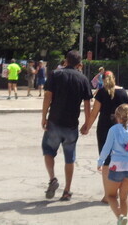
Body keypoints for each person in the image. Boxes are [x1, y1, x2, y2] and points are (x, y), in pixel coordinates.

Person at [41, 49, 93, 201]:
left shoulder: (56, 75)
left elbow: (47, 97)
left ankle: (52, 179)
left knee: (48, 151)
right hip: (71, 124)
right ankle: (67, 190)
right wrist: (87, 124)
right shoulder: (83, 79)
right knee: (70, 158)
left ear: (66, 60)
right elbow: (87, 103)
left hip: (55, 121)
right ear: (79, 63)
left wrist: (44, 117)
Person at [81, 70, 128, 201]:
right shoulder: (123, 93)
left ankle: (108, 194)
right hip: (121, 129)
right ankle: (119, 191)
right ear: (114, 78)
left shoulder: (102, 92)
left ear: (102, 79)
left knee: (107, 162)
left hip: (104, 129)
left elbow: (94, 112)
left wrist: (87, 127)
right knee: (120, 159)